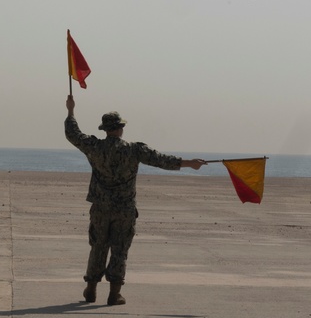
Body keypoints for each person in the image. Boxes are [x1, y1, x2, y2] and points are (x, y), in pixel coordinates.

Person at [65, 95, 206, 306]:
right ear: (121, 128)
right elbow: (161, 160)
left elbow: (73, 134)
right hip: (124, 209)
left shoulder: (94, 146)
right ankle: (114, 293)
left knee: (98, 246)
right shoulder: (133, 149)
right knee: (120, 249)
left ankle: (91, 289)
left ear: (105, 129)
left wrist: (70, 111)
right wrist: (189, 164)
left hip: (101, 208)